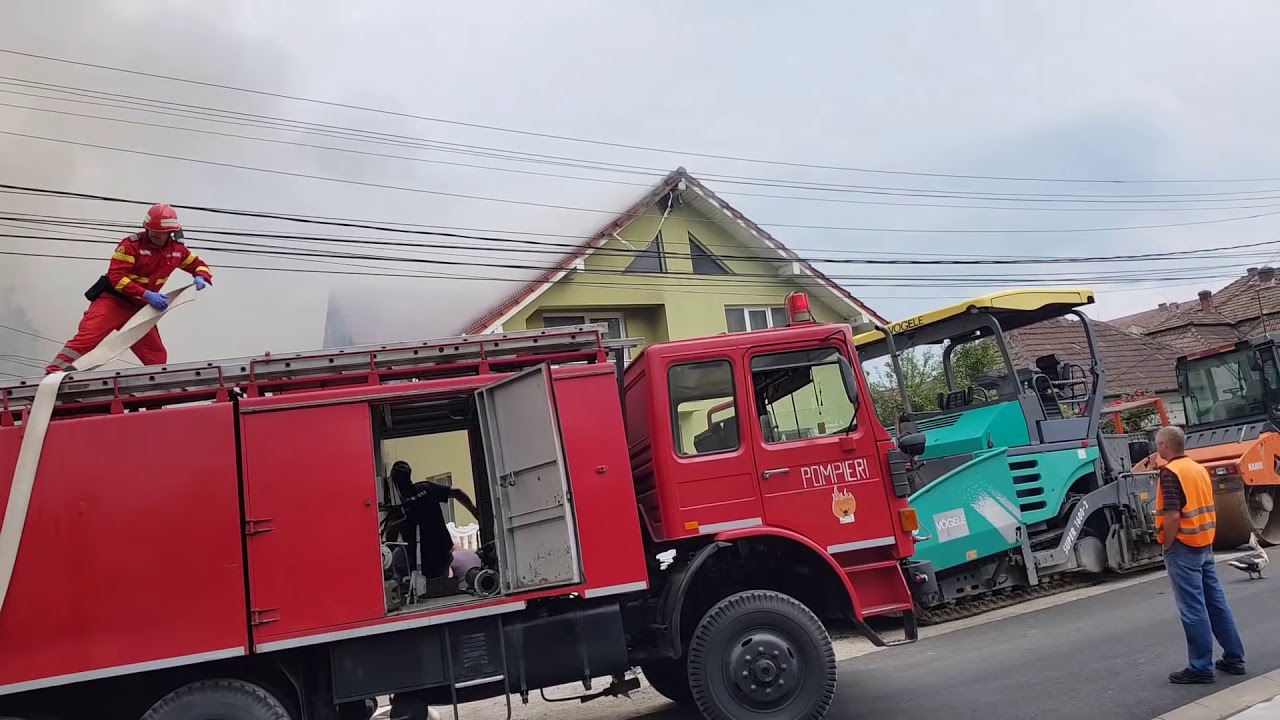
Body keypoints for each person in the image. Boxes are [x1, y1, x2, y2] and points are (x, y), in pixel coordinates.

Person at [45, 203, 212, 373]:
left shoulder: (177, 251)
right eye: (150, 230)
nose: (153, 234)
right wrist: (147, 294)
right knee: (86, 340)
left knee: (156, 355)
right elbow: (116, 278)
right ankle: (52, 375)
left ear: (170, 232)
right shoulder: (131, 245)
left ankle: (156, 386)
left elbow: (199, 265)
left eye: (159, 232)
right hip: (114, 301)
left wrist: (201, 276)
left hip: (140, 309)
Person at [1155, 425, 1247, 684]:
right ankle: (1234, 658)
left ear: (1164, 445)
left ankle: (1200, 667)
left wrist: (1167, 543)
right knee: (1216, 603)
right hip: (1204, 543)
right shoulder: (1198, 469)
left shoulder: (1171, 473)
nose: (1156, 447)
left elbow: (1172, 515)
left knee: (1192, 608)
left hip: (1183, 545)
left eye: (1157, 443)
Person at [388, 461, 479, 582]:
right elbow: (457, 492)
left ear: (393, 482)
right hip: (440, 550)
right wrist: (474, 511)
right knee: (438, 583)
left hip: (419, 555)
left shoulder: (398, 504)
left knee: (398, 557)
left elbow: (392, 535)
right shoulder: (426, 488)